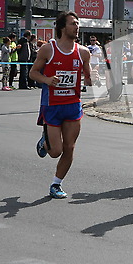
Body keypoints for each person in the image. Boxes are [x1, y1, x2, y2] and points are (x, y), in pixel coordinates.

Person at [29, 11, 92, 199]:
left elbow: (88, 79)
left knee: (70, 147)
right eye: (73, 23)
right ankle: (45, 140)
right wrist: (47, 79)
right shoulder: (48, 49)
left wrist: (92, 78)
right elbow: (33, 73)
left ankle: (56, 184)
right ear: (62, 27)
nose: (77, 27)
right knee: (55, 152)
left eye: (78, 23)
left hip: (73, 105)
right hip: (52, 105)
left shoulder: (83, 52)